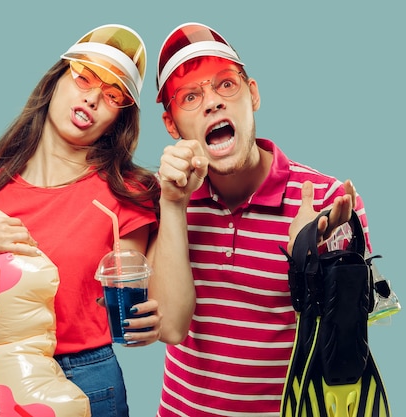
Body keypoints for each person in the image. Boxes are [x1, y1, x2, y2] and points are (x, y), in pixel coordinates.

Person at [0, 24, 162, 417]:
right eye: (84, 77)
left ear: (118, 119)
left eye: (112, 96)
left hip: (89, 378)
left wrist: (150, 314)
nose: (91, 98)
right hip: (0, 374)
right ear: (56, 80)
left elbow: (137, 305)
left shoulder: (127, 191)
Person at [150, 22, 372, 416]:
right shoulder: (165, 198)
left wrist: (310, 265)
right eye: (190, 96)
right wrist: (172, 204)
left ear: (252, 94)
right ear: (171, 125)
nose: (213, 103)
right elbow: (169, 328)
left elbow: (351, 348)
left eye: (225, 85)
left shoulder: (328, 200)